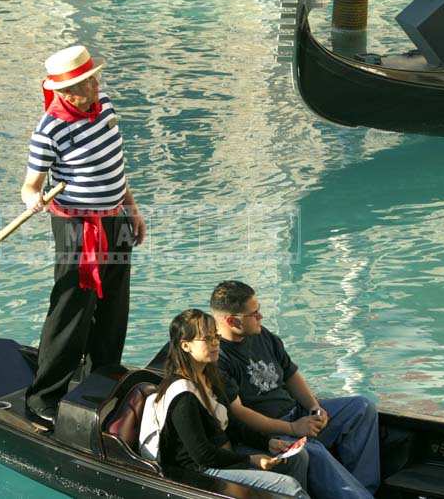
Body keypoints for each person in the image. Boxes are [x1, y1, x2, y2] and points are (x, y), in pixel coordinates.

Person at [20, 45, 147, 424]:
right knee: (72, 310)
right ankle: (44, 397)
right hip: (78, 226)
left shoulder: (104, 104)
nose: (95, 85)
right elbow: (30, 185)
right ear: (64, 92)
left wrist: (132, 210)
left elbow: (116, 166)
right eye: (84, 83)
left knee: (114, 308)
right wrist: (33, 200)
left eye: (92, 77)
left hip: (117, 220)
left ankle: (101, 384)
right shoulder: (49, 130)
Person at [209, 281, 380, 499]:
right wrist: (292, 428)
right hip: (268, 431)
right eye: (254, 314)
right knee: (313, 451)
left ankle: (365, 491)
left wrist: (314, 407)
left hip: (296, 415)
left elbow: (290, 374)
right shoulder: (218, 357)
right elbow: (239, 414)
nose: (261, 317)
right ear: (232, 320)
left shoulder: (261, 335)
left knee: (361, 408)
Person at [139, 309, 310, 498]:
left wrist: (267, 442)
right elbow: (202, 455)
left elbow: (232, 424)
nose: (215, 344)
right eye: (207, 339)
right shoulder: (183, 396)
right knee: (289, 487)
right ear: (186, 345)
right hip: (201, 471)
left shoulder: (210, 377)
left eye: (216, 338)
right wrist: (251, 460)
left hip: (225, 454)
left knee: (298, 458)